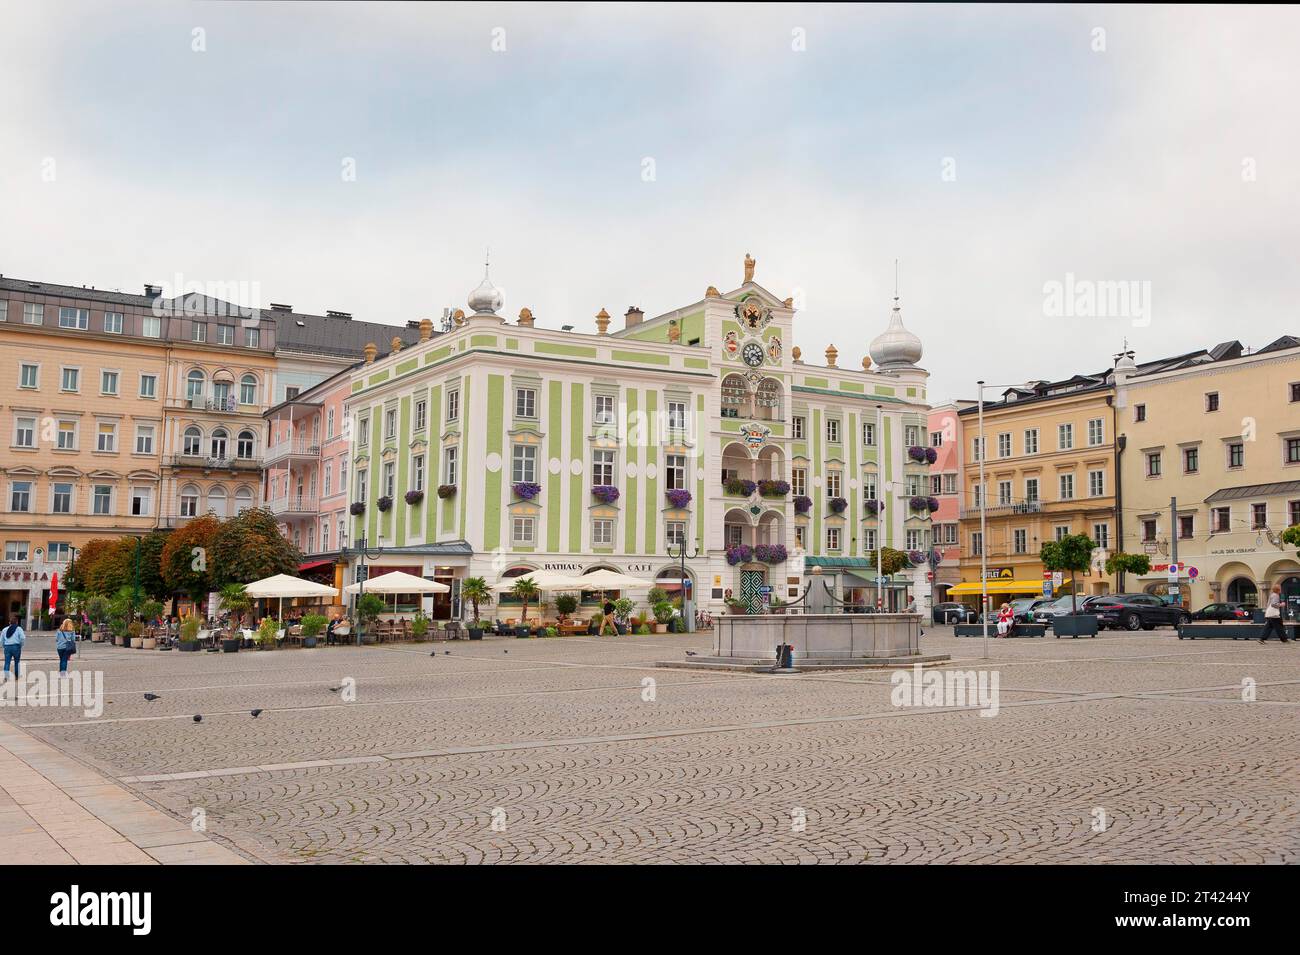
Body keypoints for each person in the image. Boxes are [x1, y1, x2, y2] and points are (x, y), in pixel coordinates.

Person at [3, 614, 25, 679]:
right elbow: (22, 638)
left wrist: (4, 646)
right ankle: (16, 676)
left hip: (7, 647)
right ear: (17, 622)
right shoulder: (19, 629)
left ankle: (6, 676)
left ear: (9, 622)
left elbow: (1, 640)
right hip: (16, 647)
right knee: (17, 662)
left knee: (7, 662)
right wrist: (21, 644)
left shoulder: (4, 630)